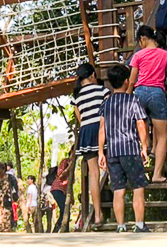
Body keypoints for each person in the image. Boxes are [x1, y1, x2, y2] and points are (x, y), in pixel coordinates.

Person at [99, 64, 149, 233]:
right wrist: (144, 146)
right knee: (138, 187)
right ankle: (140, 225)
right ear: (126, 81)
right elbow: (140, 123)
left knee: (118, 190)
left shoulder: (106, 104)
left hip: (112, 152)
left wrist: (101, 152)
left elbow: (102, 129)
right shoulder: (132, 100)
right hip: (130, 149)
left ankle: (120, 226)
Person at [128, 26, 167, 182]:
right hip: (157, 93)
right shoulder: (165, 55)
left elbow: (131, 80)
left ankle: (138, 173)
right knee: (163, 136)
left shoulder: (138, 55)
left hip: (140, 92)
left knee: (138, 134)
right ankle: (156, 174)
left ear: (142, 39)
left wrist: (126, 98)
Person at [72, 62, 108, 229]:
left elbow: (79, 117)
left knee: (93, 174)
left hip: (86, 131)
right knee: (111, 168)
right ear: (93, 75)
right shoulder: (102, 90)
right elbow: (107, 112)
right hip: (102, 129)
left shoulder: (76, 96)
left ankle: (98, 215)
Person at [49, 155, 71, 232]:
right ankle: (57, 229)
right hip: (57, 189)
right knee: (64, 209)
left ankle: (64, 230)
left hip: (64, 191)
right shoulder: (65, 162)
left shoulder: (72, 165)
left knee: (65, 210)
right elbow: (60, 175)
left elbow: (70, 183)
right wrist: (69, 167)